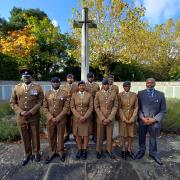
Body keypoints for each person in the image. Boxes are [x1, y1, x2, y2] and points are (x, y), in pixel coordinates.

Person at [10, 68, 44, 166]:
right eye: (24, 77)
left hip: (34, 116)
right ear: (22, 77)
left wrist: (31, 111)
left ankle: (36, 152)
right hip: (21, 117)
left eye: (28, 76)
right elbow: (12, 102)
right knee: (24, 136)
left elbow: (40, 101)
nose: (26, 78)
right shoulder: (17, 87)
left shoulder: (37, 87)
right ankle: (27, 154)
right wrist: (20, 112)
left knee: (35, 134)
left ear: (31, 77)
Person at [135, 78, 167, 165]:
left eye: (151, 82)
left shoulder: (160, 94)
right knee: (141, 137)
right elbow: (138, 108)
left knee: (153, 138)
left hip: (154, 121)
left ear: (154, 84)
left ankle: (153, 153)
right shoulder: (140, 94)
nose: (149, 84)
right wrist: (142, 118)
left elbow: (163, 110)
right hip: (143, 120)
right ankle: (141, 151)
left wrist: (154, 119)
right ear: (146, 83)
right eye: (148, 82)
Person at [43, 77, 70, 164]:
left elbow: (66, 107)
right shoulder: (47, 93)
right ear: (51, 83)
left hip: (61, 119)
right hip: (50, 119)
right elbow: (44, 107)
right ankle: (52, 152)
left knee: (61, 136)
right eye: (53, 82)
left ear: (59, 83)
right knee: (51, 136)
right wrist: (51, 117)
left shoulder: (65, 93)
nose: (55, 83)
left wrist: (58, 117)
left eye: (57, 82)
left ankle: (61, 151)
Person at [94, 78, 118, 159]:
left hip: (110, 119)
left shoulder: (114, 93)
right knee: (100, 135)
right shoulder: (98, 93)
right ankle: (98, 150)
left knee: (109, 135)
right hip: (101, 119)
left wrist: (110, 118)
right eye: (104, 84)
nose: (106, 86)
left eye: (107, 84)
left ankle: (109, 150)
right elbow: (96, 107)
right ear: (102, 85)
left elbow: (115, 106)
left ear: (109, 85)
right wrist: (102, 118)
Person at [71, 81, 93, 160]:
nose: (81, 87)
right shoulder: (74, 95)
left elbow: (91, 107)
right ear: (78, 87)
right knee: (78, 135)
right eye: (80, 86)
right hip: (77, 119)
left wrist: (85, 116)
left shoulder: (89, 95)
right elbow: (72, 107)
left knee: (86, 135)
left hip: (86, 119)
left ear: (85, 87)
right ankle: (79, 149)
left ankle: (84, 150)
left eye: (83, 86)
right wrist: (79, 116)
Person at [118, 81, 138, 160]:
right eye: (125, 86)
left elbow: (136, 107)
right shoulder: (119, 95)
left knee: (131, 134)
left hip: (131, 117)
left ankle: (129, 149)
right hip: (123, 118)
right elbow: (119, 107)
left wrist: (133, 118)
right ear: (123, 87)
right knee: (123, 134)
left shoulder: (134, 95)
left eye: (128, 86)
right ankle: (123, 149)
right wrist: (123, 118)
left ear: (130, 86)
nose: (127, 87)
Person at [62, 74, 78, 142]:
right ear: (66, 79)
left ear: (73, 79)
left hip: (75, 107)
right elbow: (62, 97)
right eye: (69, 78)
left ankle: (75, 135)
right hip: (67, 107)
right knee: (67, 122)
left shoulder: (76, 86)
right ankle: (67, 135)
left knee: (75, 122)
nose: (70, 79)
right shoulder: (63, 87)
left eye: (71, 78)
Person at [85, 72, 100, 141]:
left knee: (95, 121)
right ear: (87, 78)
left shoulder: (96, 85)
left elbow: (99, 95)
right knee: (87, 121)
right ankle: (86, 135)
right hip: (86, 106)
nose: (90, 78)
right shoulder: (84, 85)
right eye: (89, 77)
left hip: (95, 105)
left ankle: (94, 135)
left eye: (91, 77)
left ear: (93, 78)